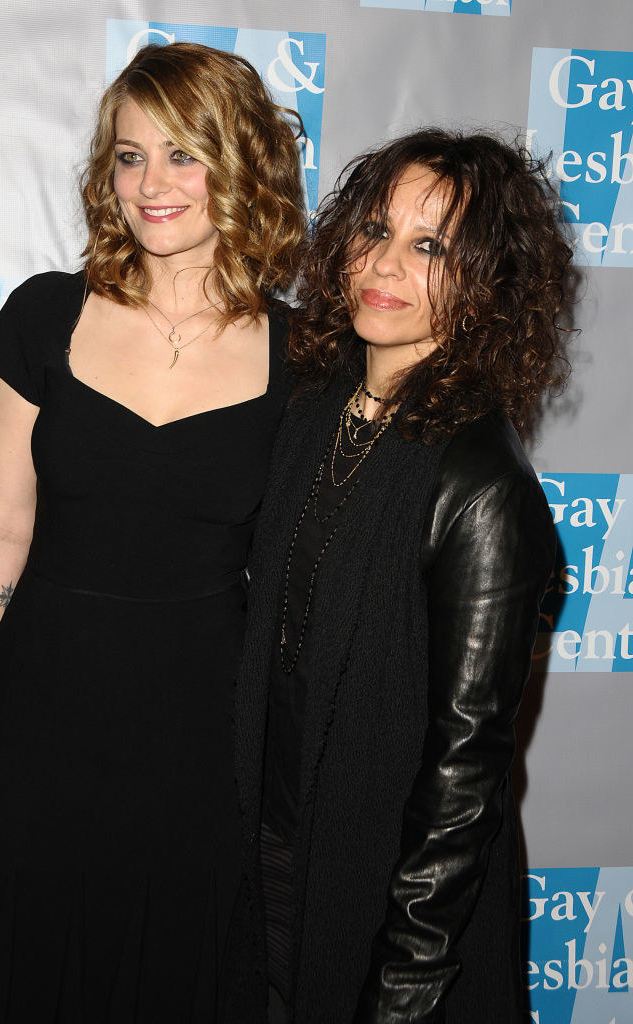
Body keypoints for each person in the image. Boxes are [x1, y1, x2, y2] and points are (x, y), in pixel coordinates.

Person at [0, 42, 305, 1023]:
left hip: (202, 737)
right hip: (44, 715)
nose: (151, 183)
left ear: (241, 162)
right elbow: (0, 528)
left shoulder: (304, 354)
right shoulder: (45, 317)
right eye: (129, 156)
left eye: (183, 154)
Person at [226, 130, 572, 1024]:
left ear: (488, 284)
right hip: (269, 865)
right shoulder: (310, 413)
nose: (386, 264)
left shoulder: (483, 483)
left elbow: (467, 776)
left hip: (388, 910)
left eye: (431, 247)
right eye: (375, 230)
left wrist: (409, 979)